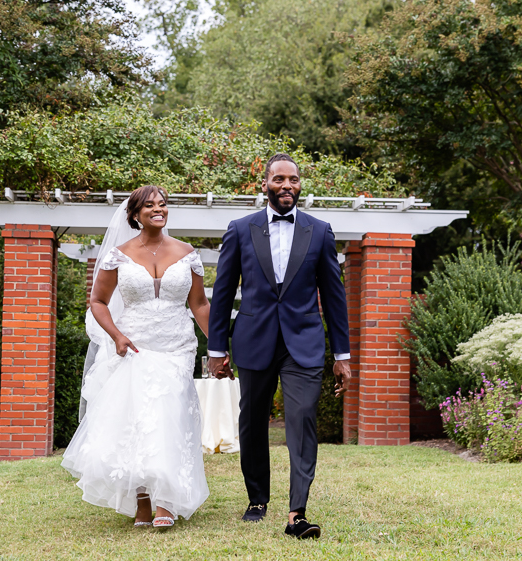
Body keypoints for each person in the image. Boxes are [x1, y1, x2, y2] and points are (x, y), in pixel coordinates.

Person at [207, 153, 352, 540]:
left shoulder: (319, 231)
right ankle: (257, 499)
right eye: (279, 179)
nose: (287, 185)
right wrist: (216, 349)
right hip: (253, 340)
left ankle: (297, 512)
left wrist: (342, 355)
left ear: (300, 184)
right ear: (265, 183)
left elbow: (334, 297)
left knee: (302, 418)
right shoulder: (240, 229)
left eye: (294, 180)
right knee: (252, 419)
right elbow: (222, 294)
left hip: (303, 341)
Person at [61, 185, 210, 528]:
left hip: (177, 347)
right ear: (134, 214)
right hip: (134, 346)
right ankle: (143, 504)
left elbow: (200, 305)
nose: (158, 209)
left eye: (163, 204)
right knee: (139, 421)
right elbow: (97, 301)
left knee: (170, 417)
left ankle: (167, 503)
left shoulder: (187, 253)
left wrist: (218, 346)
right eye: (150, 206)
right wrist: (116, 335)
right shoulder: (119, 254)